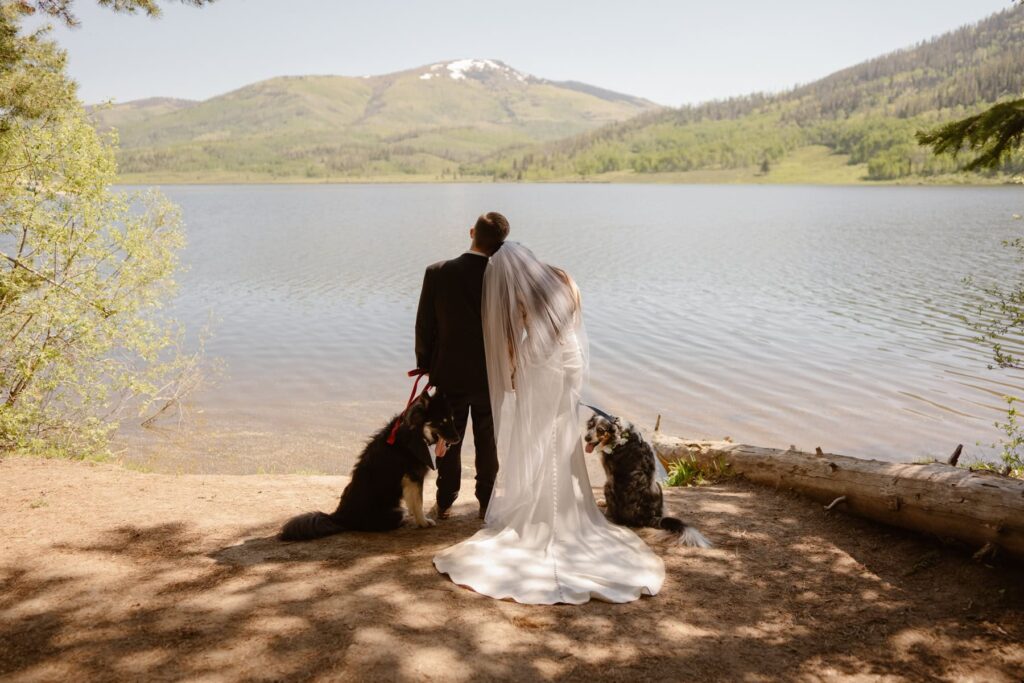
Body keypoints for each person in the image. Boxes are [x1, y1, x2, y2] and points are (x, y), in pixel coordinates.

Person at [432, 239, 665, 604]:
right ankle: (563, 511)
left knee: (535, 437)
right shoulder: (563, 277)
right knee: (561, 437)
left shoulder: (520, 293)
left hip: (539, 365)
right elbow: (575, 318)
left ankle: (539, 514)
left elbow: (510, 337)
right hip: (570, 362)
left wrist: (508, 373)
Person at [415, 212, 508, 520]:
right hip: (489, 375)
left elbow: (425, 326)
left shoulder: (437, 272)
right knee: (488, 441)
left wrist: (425, 365)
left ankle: (445, 500)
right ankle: (486, 501)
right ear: (500, 245)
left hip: (450, 374)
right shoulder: (503, 279)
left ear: (472, 232)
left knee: (447, 437)